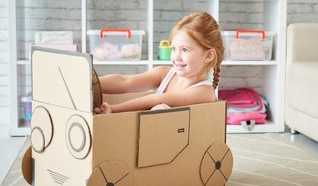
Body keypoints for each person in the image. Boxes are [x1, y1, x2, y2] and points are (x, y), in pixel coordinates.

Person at [95, 11, 224, 114]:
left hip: (174, 142)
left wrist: (114, 109)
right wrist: (90, 82)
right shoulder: (164, 74)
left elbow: (156, 99)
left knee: (160, 108)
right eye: (174, 49)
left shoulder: (204, 92)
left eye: (185, 50)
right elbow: (125, 82)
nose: (176, 57)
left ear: (208, 55)